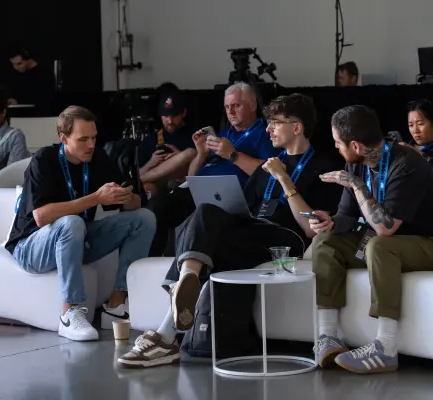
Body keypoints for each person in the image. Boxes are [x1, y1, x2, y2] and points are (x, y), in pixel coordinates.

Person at [118, 93, 344, 368]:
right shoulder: (265, 167)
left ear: (297, 127)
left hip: (285, 239)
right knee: (204, 215)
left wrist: (284, 180)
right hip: (250, 233)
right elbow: (243, 210)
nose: (269, 129)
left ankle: (166, 332)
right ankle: (183, 289)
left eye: (276, 123)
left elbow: (309, 229)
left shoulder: (323, 167)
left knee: (206, 236)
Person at [310, 105, 433, 374]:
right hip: (390, 245)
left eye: (338, 143)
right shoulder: (355, 163)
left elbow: (384, 228)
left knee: (379, 245)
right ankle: (328, 337)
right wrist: (329, 221)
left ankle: (386, 348)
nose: (336, 148)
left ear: (355, 145)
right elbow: (346, 216)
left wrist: (356, 185)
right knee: (325, 240)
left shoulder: (406, 163)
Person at [4, 105, 156, 342]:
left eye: (94, 138)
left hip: (78, 238)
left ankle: (115, 306)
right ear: (63, 137)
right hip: (30, 246)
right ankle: (69, 312)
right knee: (71, 223)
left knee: (144, 219)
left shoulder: (97, 158)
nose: (91, 145)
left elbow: (133, 205)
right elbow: (42, 216)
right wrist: (96, 198)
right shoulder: (44, 159)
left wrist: (127, 197)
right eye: (83, 139)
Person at [147, 82, 279, 256]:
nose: (230, 112)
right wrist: (201, 154)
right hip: (200, 192)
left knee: (175, 209)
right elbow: (191, 176)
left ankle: (182, 265)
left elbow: (271, 172)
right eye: (227, 107)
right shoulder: (223, 134)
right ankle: (150, 262)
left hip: (229, 198)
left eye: (236, 106)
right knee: (155, 206)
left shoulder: (265, 134)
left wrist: (233, 155)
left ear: (253, 105)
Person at [138, 91, 196, 197]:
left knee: (190, 153)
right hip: (157, 187)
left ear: (183, 113)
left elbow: (203, 171)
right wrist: (151, 163)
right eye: (165, 116)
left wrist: (179, 157)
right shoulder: (150, 140)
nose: (169, 121)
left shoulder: (195, 137)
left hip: (184, 185)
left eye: (174, 115)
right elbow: (137, 172)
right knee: (146, 188)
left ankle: (136, 182)